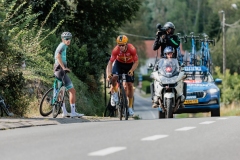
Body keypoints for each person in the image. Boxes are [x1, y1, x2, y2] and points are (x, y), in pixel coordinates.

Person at [106, 35, 139, 116]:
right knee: (114, 77)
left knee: (130, 85)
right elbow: (110, 62)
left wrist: (131, 70)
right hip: (119, 64)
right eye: (119, 45)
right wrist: (109, 73)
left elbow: (136, 62)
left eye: (122, 45)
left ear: (126, 44)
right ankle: (115, 93)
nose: (120, 47)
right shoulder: (116, 50)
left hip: (129, 65)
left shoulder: (132, 49)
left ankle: (130, 107)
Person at [54, 32, 84, 118]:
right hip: (60, 70)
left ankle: (64, 112)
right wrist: (63, 67)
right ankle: (73, 112)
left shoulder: (62, 45)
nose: (68, 40)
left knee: (61, 90)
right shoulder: (62, 46)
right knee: (72, 90)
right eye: (66, 39)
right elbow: (58, 56)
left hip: (57, 69)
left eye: (69, 38)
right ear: (62, 39)